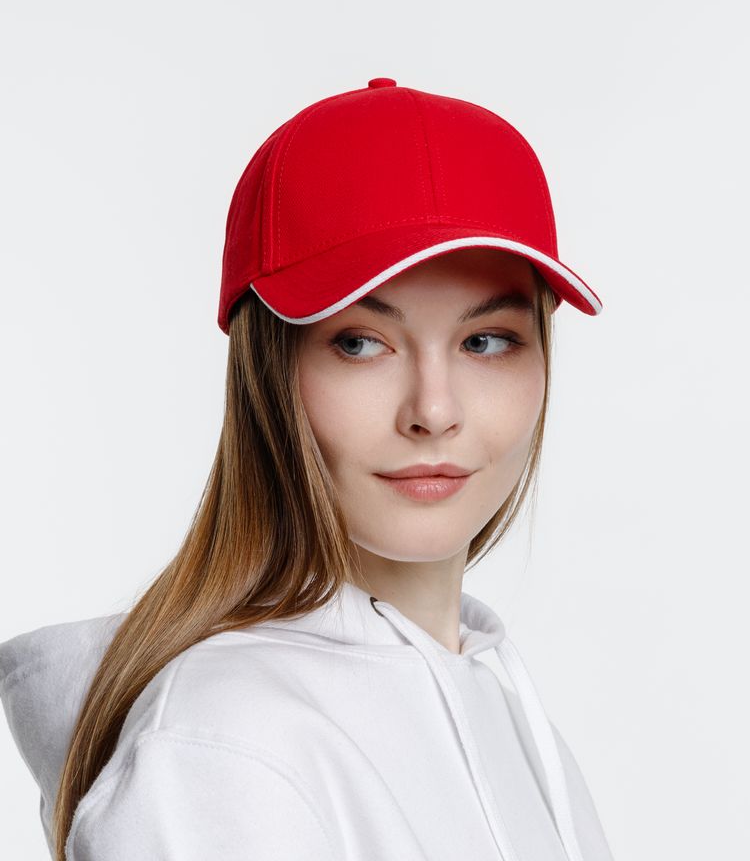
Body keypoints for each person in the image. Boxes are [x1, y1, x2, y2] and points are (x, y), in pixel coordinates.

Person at [0, 77, 615, 860]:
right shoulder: (221, 748)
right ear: (266, 373)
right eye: (360, 343)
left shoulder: (509, 720)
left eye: (485, 341)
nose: (433, 410)